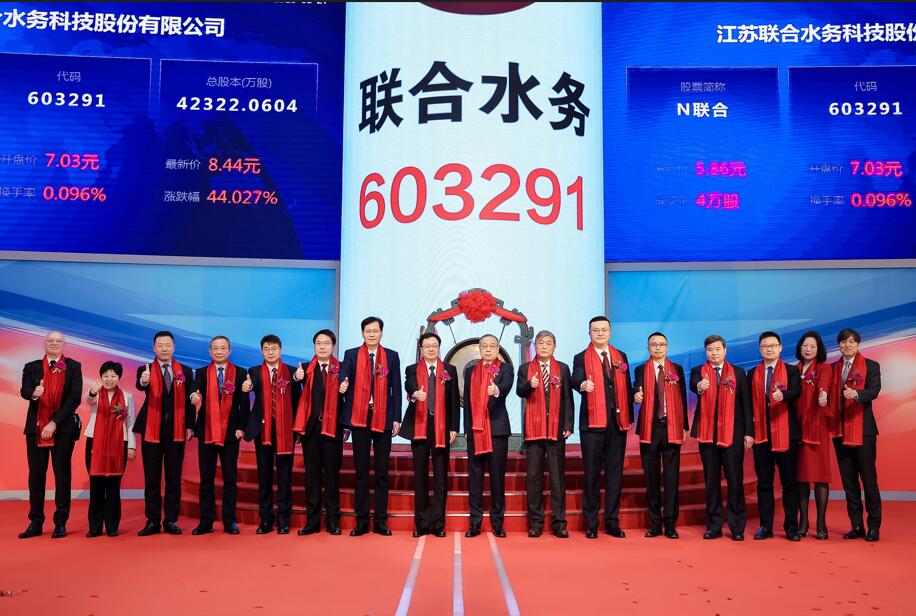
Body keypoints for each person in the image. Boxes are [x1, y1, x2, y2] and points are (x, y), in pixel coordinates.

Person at [571, 316, 633, 539]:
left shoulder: (620, 356)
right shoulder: (581, 357)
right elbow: (575, 379)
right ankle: (591, 524)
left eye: (604, 330)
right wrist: (582, 384)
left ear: (610, 332)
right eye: (595, 330)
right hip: (592, 425)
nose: (600, 333)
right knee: (592, 475)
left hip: (616, 424)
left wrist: (630, 409)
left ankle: (612, 522)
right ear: (589, 333)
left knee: (615, 475)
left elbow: (627, 387)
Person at [340, 317, 402, 536]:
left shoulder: (392, 356)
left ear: (381, 333)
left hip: (383, 417)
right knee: (361, 471)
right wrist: (343, 381)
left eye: (375, 331)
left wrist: (396, 418)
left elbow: (396, 388)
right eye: (368, 331)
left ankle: (381, 521)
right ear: (362, 333)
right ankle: (362, 521)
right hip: (360, 417)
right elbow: (344, 372)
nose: (372, 334)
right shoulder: (351, 354)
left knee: (382, 472)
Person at [18, 331, 83, 539]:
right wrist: (33, 393)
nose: (54, 343)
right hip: (36, 428)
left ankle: (60, 522)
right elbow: (24, 390)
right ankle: (35, 522)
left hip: (63, 429)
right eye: (50, 340)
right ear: (44, 343)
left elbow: (74, 398)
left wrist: (54, 422)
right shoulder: (32, 367)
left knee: (62, 475)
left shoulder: (74, 366)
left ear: (64, 344)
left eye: (58, 341)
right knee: (36, 476)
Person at [689, 334, 753, 541]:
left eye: (717, 349)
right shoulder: (699, 371)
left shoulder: (738, 373)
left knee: (735, 481)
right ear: (706, 352)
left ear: (725, 351)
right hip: (708, 436)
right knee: (711, 483)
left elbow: (746, 404)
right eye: (710, 350)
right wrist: (700, 386)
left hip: (733, 435)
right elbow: (694, 385)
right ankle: (714, 526)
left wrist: (749, 433)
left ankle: (737, 527)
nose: (714, 353)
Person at [134, 331, 195, 536]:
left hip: (176, 430)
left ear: (174, 347)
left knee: (173, 477)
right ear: (154, 348)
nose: (164, 348)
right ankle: (152, 521)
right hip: (151, 429)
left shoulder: (185, 370)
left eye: (168, 345)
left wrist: (190, 426)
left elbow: (190, 401)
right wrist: (144, 381)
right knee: (152, 478)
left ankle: (171, 520)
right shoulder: (145, 369)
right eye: (160, 345)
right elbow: (140, 385)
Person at [516, 330, 574, 538]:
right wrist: (529, 385)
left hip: (556, 430)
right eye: (540, 343)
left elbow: (568, 399)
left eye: (548, 343)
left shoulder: (563, 369)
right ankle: (536, 523)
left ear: (554, 347)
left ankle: (560, 523)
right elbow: (519, 392)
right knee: (534, 478)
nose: (544, 346)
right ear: (535, 346)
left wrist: (568, 424)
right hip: (534, 430)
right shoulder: (525, 368)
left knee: (557, 478)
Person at [190, 335, 250, 535]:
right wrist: (194, 395)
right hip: (207, 431)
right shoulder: (202, 372)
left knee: (230, 479)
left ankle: (229, 521)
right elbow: (195, 389)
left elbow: (244, 404)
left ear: (229, 350)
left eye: (223, 348)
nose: (219, 351)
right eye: (215, 348)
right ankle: (206, 522)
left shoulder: (240, 373)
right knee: (206, 479)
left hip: (231, 433)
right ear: (210, 351)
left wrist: (242, 427)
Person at [402, 332, 459, 538]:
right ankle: (421, 522)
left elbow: (454, 401)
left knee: (440, 477)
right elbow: (409, 385)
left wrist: (454, 427)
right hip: (419, 426)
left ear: (439, 347)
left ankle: (438, 523)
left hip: (442, 428)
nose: (431, 349)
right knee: (420, 476)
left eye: (434, 345)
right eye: (427, 346)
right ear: (421, 349)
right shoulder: (412, 369)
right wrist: (415, 393)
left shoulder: (449, 370)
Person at [244, 334, 301, 535]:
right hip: (263, 431)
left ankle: (284, 520)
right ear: (262, 351)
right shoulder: (254, 371)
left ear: (280, 350)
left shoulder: (292, 372)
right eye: (267, 349)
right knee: (265, 477)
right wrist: (248, 386)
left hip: (285, 431)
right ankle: (266, 520)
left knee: (285, 478)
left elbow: (298, 400)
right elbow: (252, 385)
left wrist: (298, 429)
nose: (270, 352)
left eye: (274, 348)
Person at [748, 331, 803, 541]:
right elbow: (747, 405)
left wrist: (784, 395)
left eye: (772, 346)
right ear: (759, 349)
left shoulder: (791, 371)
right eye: (765, 346)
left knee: (789, 483)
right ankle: (765, 526)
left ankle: (791, 527)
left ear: (780, 348)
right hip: (761, 435)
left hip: (786, 434)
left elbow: (797, 392)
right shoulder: (752, 373)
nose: (769, 349)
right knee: (764, 483)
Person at [633, 332, 688, 539]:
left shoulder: (677, 369)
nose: (658, 348)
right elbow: (636, 388)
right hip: (650, 428)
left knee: (672, 478)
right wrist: (636, 395)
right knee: (652, 478)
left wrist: (684, 426)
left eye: (661, 344)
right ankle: (655, 524)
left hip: (672, 427)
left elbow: (682, 397)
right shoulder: (641, 369)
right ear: (648, 348)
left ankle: (671, 524)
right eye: (654, 344)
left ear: (667, 347)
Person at [293, 329, 346, 536]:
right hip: (312, 430)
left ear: (333, 346)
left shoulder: (342, 368)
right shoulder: (305, 369)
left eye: (326, 343)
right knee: (312, 477)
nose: (322, 347)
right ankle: (312, 522)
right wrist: (296, 378)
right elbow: (295, 389)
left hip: (333, 429)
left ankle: (333, 521)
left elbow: (349, 399)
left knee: (332, 477)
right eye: (318, 343)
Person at [832, 327, 882, 542]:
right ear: (839, 345)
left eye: (852, 341)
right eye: (844, 341)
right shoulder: (833, 368)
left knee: (868, 479)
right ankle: (856, 525)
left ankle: (874, 526)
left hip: (864, 431)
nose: (848, 345)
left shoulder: (871, 365)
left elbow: (874, 390)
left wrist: (857, 394)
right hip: (839, 431)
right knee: (849, 481)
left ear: (858, 344)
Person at [463, 334, 514, 538]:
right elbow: (468, 401)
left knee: (497, 478)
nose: (488, 349)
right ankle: (475, 523)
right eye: (484, 346)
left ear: (497, 348)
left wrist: (497, 389)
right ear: (480, 348)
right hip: (475, 429)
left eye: (492, 346)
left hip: (497, 430)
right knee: (475, 478)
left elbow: (507, 385)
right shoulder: (470, 371)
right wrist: (467, 427)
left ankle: (497, 523)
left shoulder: (505, 368)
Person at [84, 361, 136, 537]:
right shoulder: (95, 393)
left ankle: (112, 526)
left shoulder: (127, 397)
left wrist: (131, 446)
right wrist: (93, 392)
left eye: (113, 375)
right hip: (95, 442)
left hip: (119, 443)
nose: (109, 379)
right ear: (101, 377)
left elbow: (130, 424)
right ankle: (95, 527)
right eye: (105, 375)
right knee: (96, 487)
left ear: (119, 378)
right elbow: (88, 400)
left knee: (113, 487)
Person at [795, 331, 833, 540]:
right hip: (798, 429)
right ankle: (803, 521)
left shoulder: (823, 368)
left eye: (812, 346)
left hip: (818, 428)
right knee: (801, 477)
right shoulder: (794, 369)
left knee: (820, 476)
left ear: (819, 349)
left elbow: (824, 385)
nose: (808, 349)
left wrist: (823, 394)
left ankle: (821, 523)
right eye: (805, 345)